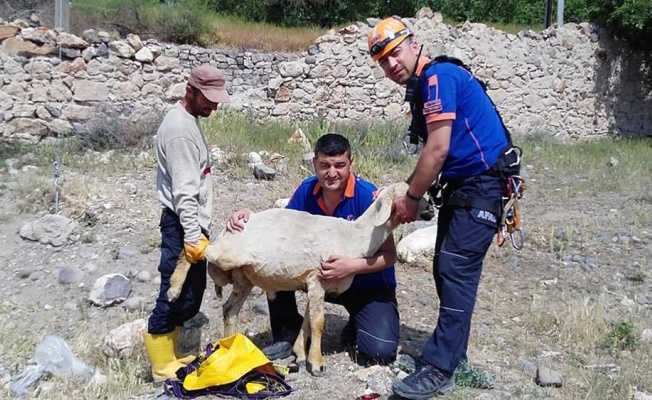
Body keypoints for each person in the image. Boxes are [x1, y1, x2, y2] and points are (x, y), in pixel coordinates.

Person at [368, 16, 516, 399]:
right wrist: (403, 189)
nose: (391, 65)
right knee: (446, 267)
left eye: (395, 53)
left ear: (414, 44)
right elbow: (435, 156)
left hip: (481, 185)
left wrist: (411, 199)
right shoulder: (427, 84)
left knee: (455, 269)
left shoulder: (439, 78)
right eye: (383, 61)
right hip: (465, 187)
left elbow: (438, 149)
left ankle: (440, 367)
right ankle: (452, 355)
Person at [227, 133, 400, 366]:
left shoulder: (368, 197)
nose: (332, 173)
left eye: (340, 165)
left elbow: (390, 256)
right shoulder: (306, 191)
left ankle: (357, 323)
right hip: (318, 279)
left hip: (365, 283)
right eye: (324, 166)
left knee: (379, 352)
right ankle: (287, 333)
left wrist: (350, 266)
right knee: (278, 260)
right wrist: (250, 218)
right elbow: (281, 232)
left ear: (351, 163)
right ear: (314, 164)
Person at [143, 65, 230, 382]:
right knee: (174, 291)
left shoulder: (188, 119)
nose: (214, 106)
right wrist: (193, 236)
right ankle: (161, 365)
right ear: (190, 91)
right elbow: (183, 192)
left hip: (188, 223)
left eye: (217, 100)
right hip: (182, 224)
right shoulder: (180, 131)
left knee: (190, 295)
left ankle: (172, 352)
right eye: (208, 99)